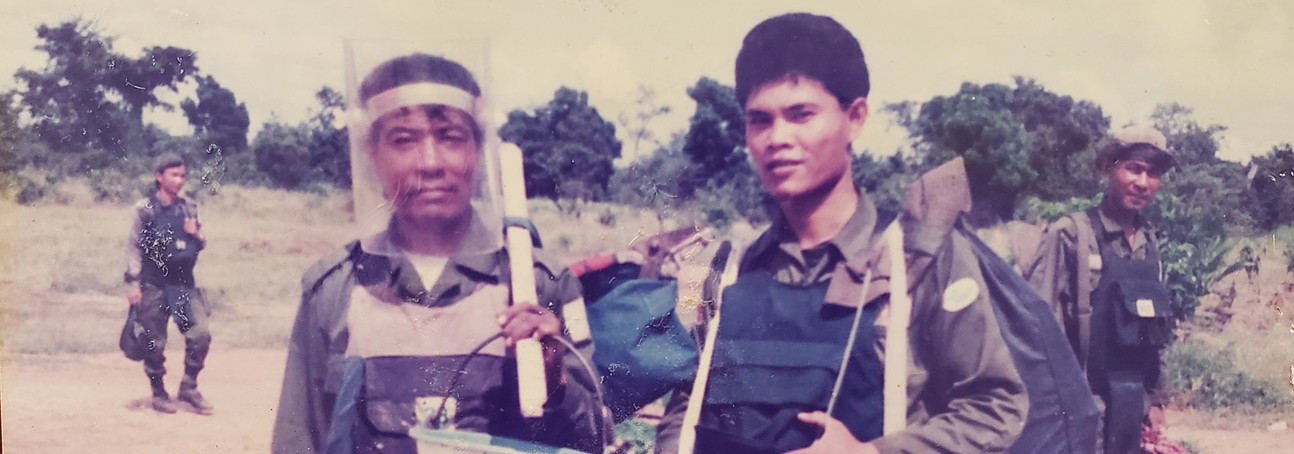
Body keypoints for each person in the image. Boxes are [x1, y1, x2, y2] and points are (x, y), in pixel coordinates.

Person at [653, 12, 1028, 454]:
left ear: (855, 118)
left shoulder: (915, 260)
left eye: (801, 115)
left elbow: (995, 407)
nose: (777, 138)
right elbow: (687, 407)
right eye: (760, 120)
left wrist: (871, 453)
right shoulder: (730, 272)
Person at [270, 53, 602, 453]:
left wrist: (552, 376)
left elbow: (594, 437)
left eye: (450, 137)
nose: (430, 163)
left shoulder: (540, 283)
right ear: (372, 154)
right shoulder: (335, 289)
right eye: (403, 140)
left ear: (478, 150)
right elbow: (299, 440)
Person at [1025, 126, 1177, 454]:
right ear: (1109, 167)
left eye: (1152, 174)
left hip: (1130, 408)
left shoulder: (1149, 243)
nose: (1142, 182)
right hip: (1079, 410)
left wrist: (1155, 400)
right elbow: (1035, 326)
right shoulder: (1071, 234)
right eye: (1133, 168)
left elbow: (1152, 335)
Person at [124, 153, 214, 415]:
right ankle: (158, 391)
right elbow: (134, 247)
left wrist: (196, 234)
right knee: (154, 342)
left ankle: (189, 387)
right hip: (154, 284)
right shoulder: (146, 209)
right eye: (174, 175)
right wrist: (134, 284)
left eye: (182, 175)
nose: (179, 180)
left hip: (183, 284)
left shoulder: (189, 207)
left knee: (200, 334)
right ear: (159, 177)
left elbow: (199, 244)